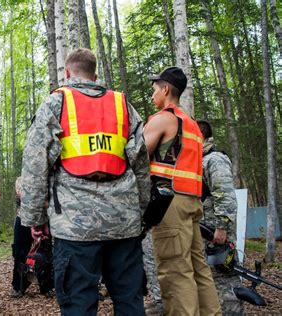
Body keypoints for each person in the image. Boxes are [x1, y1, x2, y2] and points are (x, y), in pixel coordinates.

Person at [20, 48, 150, 315]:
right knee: (129, 301)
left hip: (74, 226)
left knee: (78, 303)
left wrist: (34, 218)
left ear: (67, 73)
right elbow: (141, 163)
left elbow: (35, 163)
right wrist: (141, 212)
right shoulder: (122, 104)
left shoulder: (56, 103)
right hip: (123, 223)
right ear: (96, 75)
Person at [144, 67, 221, 315]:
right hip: (191, 203)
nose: (152, 95)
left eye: (155, 89)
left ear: (165, 89)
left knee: (175, 270)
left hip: (170, 205)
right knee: (199, 269)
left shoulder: (163, 119)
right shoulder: (193, 126)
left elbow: (136, 156)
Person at [197, 120, 246, 315]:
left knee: (226, 281)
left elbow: (224, 194)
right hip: (204, 234)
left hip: (216, 234)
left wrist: (222, 227)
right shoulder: (198, 161)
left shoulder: (214, 159)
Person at [11, 176, 33, 298]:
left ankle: (46, 287)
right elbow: (22, 195)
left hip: (42, 219)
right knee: (20, 253)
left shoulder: (44, 179)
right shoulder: (20, 179)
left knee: (44, 252)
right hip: (23, 219)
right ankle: (18, 286)